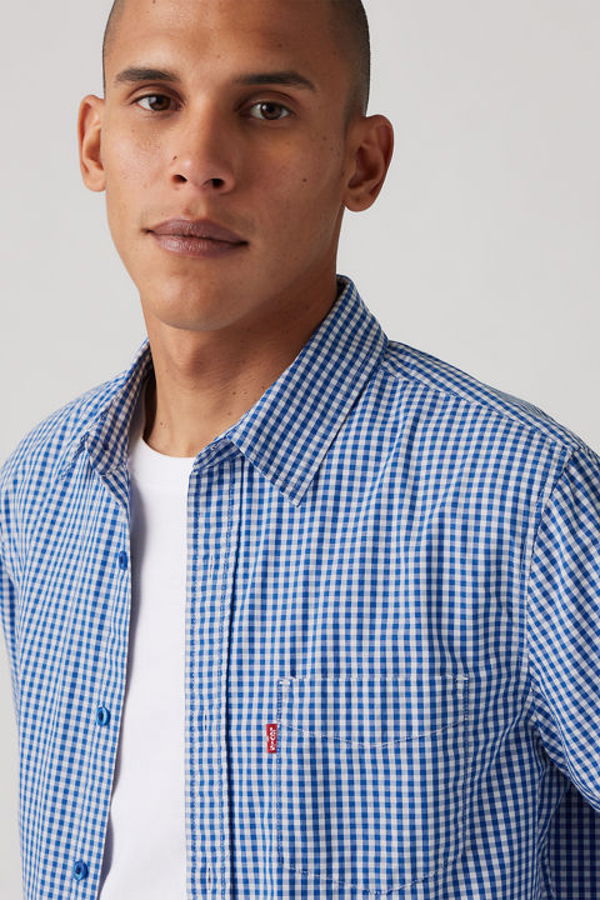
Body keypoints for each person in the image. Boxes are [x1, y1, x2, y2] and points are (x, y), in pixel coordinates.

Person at [1, 0, 598, 897]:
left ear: (362, 163)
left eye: (267, 109)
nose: (198, 162)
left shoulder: (523, 501)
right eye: (157, 100)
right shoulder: (42, 490)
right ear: (94, 144)